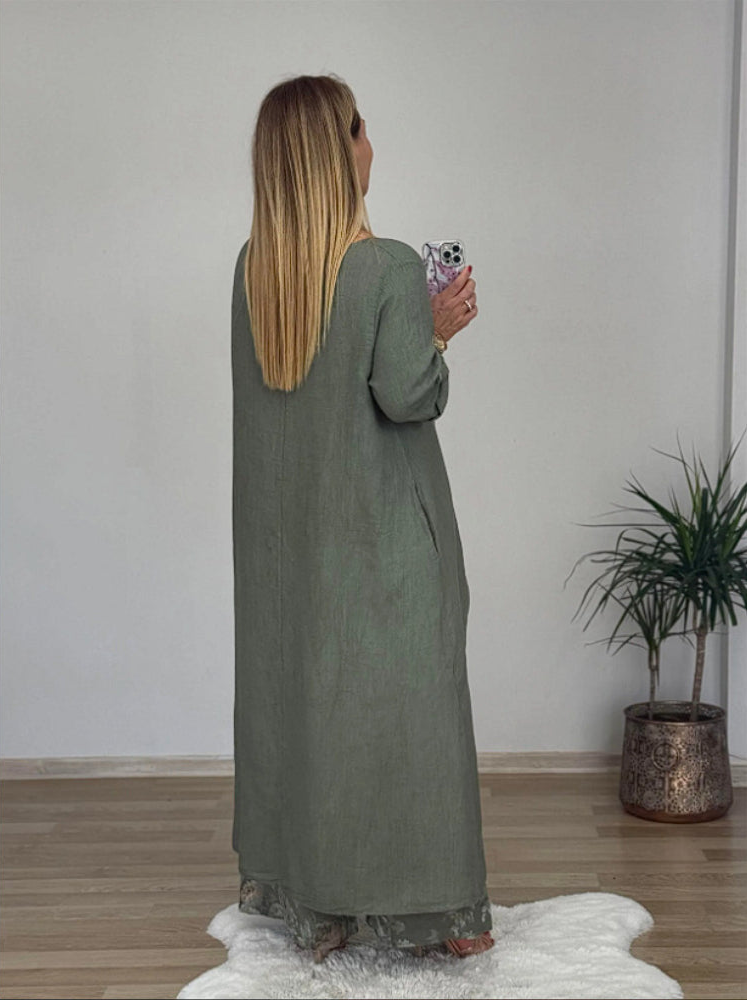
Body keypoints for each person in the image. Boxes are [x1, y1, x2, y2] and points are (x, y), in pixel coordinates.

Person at [231, 73, 494, 964]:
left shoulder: (256, 271)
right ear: (335, 152)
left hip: (292, 548)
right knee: (418, 710)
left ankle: (326, 907)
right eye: (360, 129)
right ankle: (448, 912)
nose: (371, 144)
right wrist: (439, 328)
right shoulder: (384, 268)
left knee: (313, 708)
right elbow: (407, 394)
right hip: (384, 537)